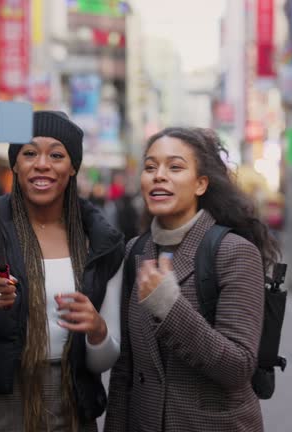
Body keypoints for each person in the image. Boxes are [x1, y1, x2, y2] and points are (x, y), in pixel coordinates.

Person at [0, 111, 125, 431]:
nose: (42, 164)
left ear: (73, 167)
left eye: (56, 154)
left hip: (71, 405)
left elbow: (103, 360)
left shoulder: (101, 243)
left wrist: (97, 329)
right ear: (14, 164)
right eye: (29, 153)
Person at [104, 127, 279, 432]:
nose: (159, 175)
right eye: (150, 167)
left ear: (201, 184)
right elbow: (125, 371)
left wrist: (170, 308)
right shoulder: (136, 250)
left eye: (175, 167)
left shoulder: (235, 253)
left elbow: (238, 367)